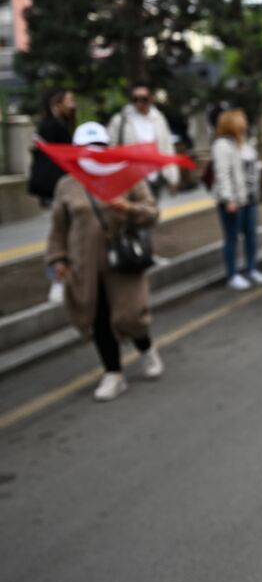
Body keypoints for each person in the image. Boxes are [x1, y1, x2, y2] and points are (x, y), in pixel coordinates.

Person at [45, 123, 163, 402]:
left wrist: (129, 208)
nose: (93, 153)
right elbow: (58, 228)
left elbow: (152, 213)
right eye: (86, 149)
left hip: (121, 260)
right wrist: (58, 259)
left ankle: (147, 349)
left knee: (130, 314)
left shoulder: (129, 175)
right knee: (98, 319)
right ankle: (113, 373)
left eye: (98, 147)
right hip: (84, 264)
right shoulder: (66, 184)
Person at [29, 87, 77, 303]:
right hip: (58, 188)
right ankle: (57, 279)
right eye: (69, 100)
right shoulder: (53, 127)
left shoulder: (54, 126)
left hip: (59, 188)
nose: (73, 104)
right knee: (60, 233)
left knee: (64, 231)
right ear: (57, 103)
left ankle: (63, 277)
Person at [211, 108, 262, 291]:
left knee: (251, 235)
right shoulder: (222, 145)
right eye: (242, 120)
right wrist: (228, 199)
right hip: (233, 201)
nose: (246, 123)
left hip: (249, 198)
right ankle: (233, 274)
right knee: (232, 238)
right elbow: (223, 174)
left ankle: (251, 268)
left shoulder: (245, 143)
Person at [107, 84, 180, 199]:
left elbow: (167, 148)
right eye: (135, 99)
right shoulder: (121, 120)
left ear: (151, 99)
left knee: (154, 210)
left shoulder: (159, 118)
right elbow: (111, 148)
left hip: (156, 174)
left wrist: (173, 177)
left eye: (143, 99)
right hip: (133, 177)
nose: (139, 103)